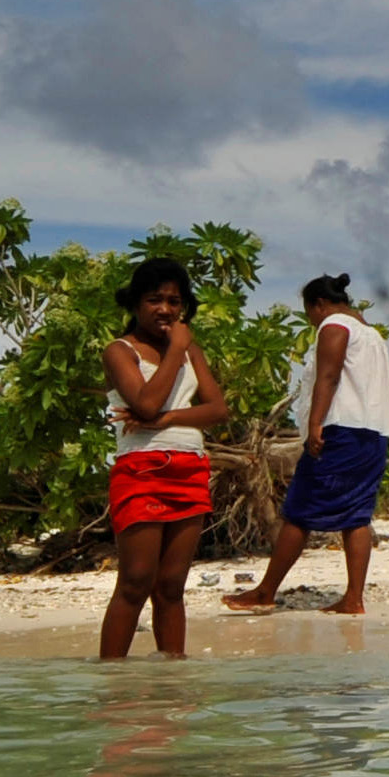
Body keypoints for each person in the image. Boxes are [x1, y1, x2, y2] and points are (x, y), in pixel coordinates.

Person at [224, 274, 389, 617]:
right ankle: (353, 598)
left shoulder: (334, 325)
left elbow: (328, 376)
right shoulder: (372, 335)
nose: (311, 321)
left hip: (341, 430)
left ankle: (265, 592)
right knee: (357, 516)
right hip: (374, 432)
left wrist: (315, 423)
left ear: (319, 305)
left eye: (309, 313)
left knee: (298, 511)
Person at [99, 258, 230, 659]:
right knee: (136, 580)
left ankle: (173, 679)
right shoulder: (120, 351)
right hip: (141, 467)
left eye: (174, 301)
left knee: (172, 585)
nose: (165, 310)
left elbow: (217, 410)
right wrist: (176, 349)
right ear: (135, 303)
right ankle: (112, 680)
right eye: (154, 299)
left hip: (189, 467)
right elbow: (146, 400)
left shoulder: (195, 353)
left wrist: (166, 418)